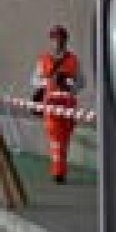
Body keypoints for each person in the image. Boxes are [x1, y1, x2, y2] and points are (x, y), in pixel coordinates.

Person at [33, 24, 84, 184]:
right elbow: (34, 80)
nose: (57, 42)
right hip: (51, 106)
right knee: (56, 140)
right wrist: (50, 81)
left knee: (64, 141)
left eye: (60, 38)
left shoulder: (73, 60)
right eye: (55, 39)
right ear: (51, 41)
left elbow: (81, 82)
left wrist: (68, 82)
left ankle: (60, 170)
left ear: (65, 40)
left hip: (68, 106)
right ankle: (58, 173)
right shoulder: (44, 60)